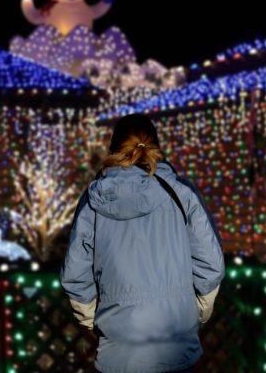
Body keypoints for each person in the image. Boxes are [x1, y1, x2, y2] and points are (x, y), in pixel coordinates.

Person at [60, 113, 224, 372]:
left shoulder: (93, 200)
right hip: (176, 348)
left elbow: (75, 274)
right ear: (155, 147)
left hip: (119, 352)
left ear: (114, 148)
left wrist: (99, 321)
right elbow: (211, 263)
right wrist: (196, 313)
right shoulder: (182, 194)